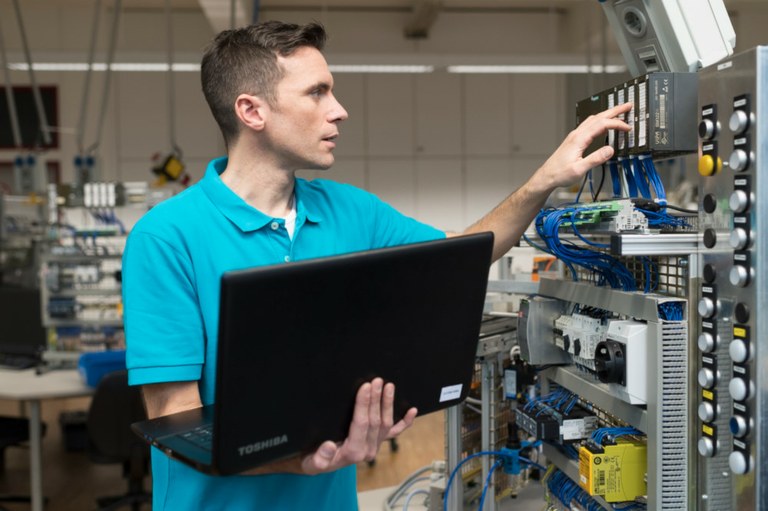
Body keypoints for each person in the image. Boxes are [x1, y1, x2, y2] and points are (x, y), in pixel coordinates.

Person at [123, 20, 631, 510]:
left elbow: (464, 253)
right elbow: (176, 419)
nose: (339, 110)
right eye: (317, 93)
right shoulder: (167, 238)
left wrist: (544, 180)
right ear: (252, 111)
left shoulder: (351, 211)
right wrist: (300, 460)